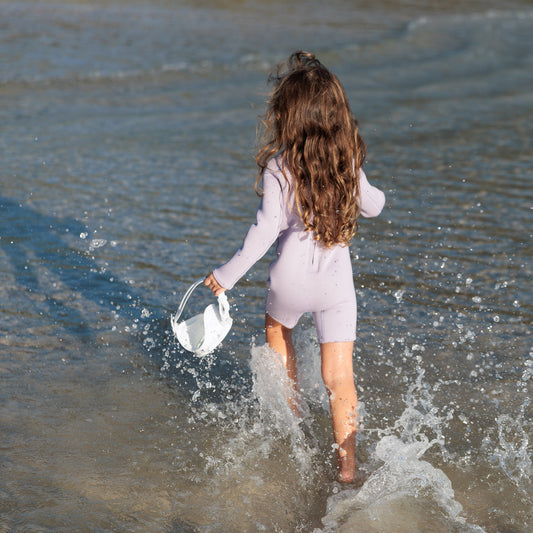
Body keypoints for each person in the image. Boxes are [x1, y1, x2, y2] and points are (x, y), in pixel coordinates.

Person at [205, 51, 385, 483]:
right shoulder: (347, 163)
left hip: (289, 283)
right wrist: (361, 181)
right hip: (336, 287)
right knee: (339, 378)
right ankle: (347, 467)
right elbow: (375, 206)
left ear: (290, 120)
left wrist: (225, 276)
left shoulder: (279, 167)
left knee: (278, 333)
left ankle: (292, 428)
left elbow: (266, 230)